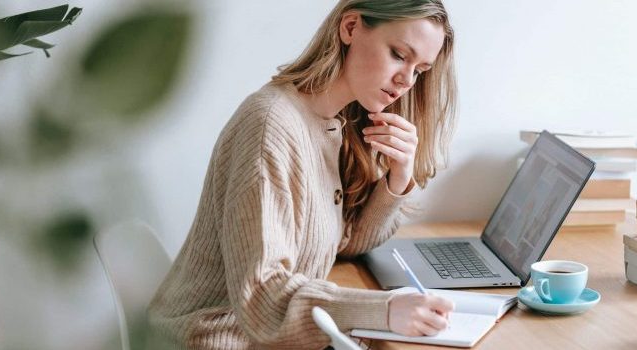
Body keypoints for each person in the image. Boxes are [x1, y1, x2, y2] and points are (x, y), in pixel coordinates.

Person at [148, 0, 458, 348]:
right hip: (218, 339)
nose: (405, 80)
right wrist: (384, 310)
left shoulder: (334, 124)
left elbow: (347, 244)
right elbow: (261, 297)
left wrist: (398, 178)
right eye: (399, 54)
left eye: (419, 70)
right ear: (350, 28)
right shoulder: (270, 126)